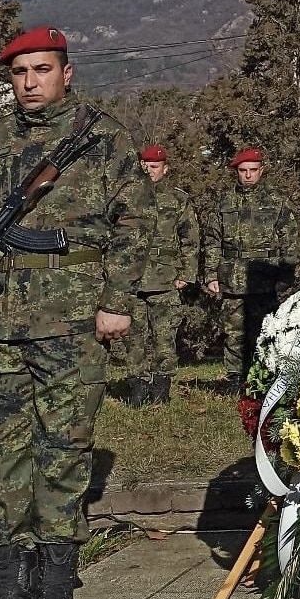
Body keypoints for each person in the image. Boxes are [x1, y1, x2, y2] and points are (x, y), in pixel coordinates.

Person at [0, 25, 150, 599]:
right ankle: (10, 586)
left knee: (64, 452)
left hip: (72, 322)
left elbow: (137, 223)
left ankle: (54, 591)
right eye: (19, 73)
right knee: (0, 456)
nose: (29, 82)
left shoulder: (102, 139)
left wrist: (116, 299)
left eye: (41, 70)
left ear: (66, 72)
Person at [200, 149, 300, 390]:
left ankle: (263, 377)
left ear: (261, 171)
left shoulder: (276, 201)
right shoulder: (223, 202)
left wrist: (286, 276)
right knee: (233, 331)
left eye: (252, 171)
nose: (247, 176)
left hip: (264, 277)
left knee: (264, 329)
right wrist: (211, 274)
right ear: (236, 172)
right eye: (242, 171)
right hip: (232, 275)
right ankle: (235, 378)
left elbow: (290, 239)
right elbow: (212, 239)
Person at [123, 145, 199, 407]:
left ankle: (161, 387)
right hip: (131, 279)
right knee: (133, 337)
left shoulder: (178, 200)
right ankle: (137, 385)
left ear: (165, 169)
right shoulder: (126, 198)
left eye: (154, 166)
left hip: (165, 279)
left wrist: (186, 274)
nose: (149, 171)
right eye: (144, 166)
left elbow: (190, 239)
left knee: (164, 337)